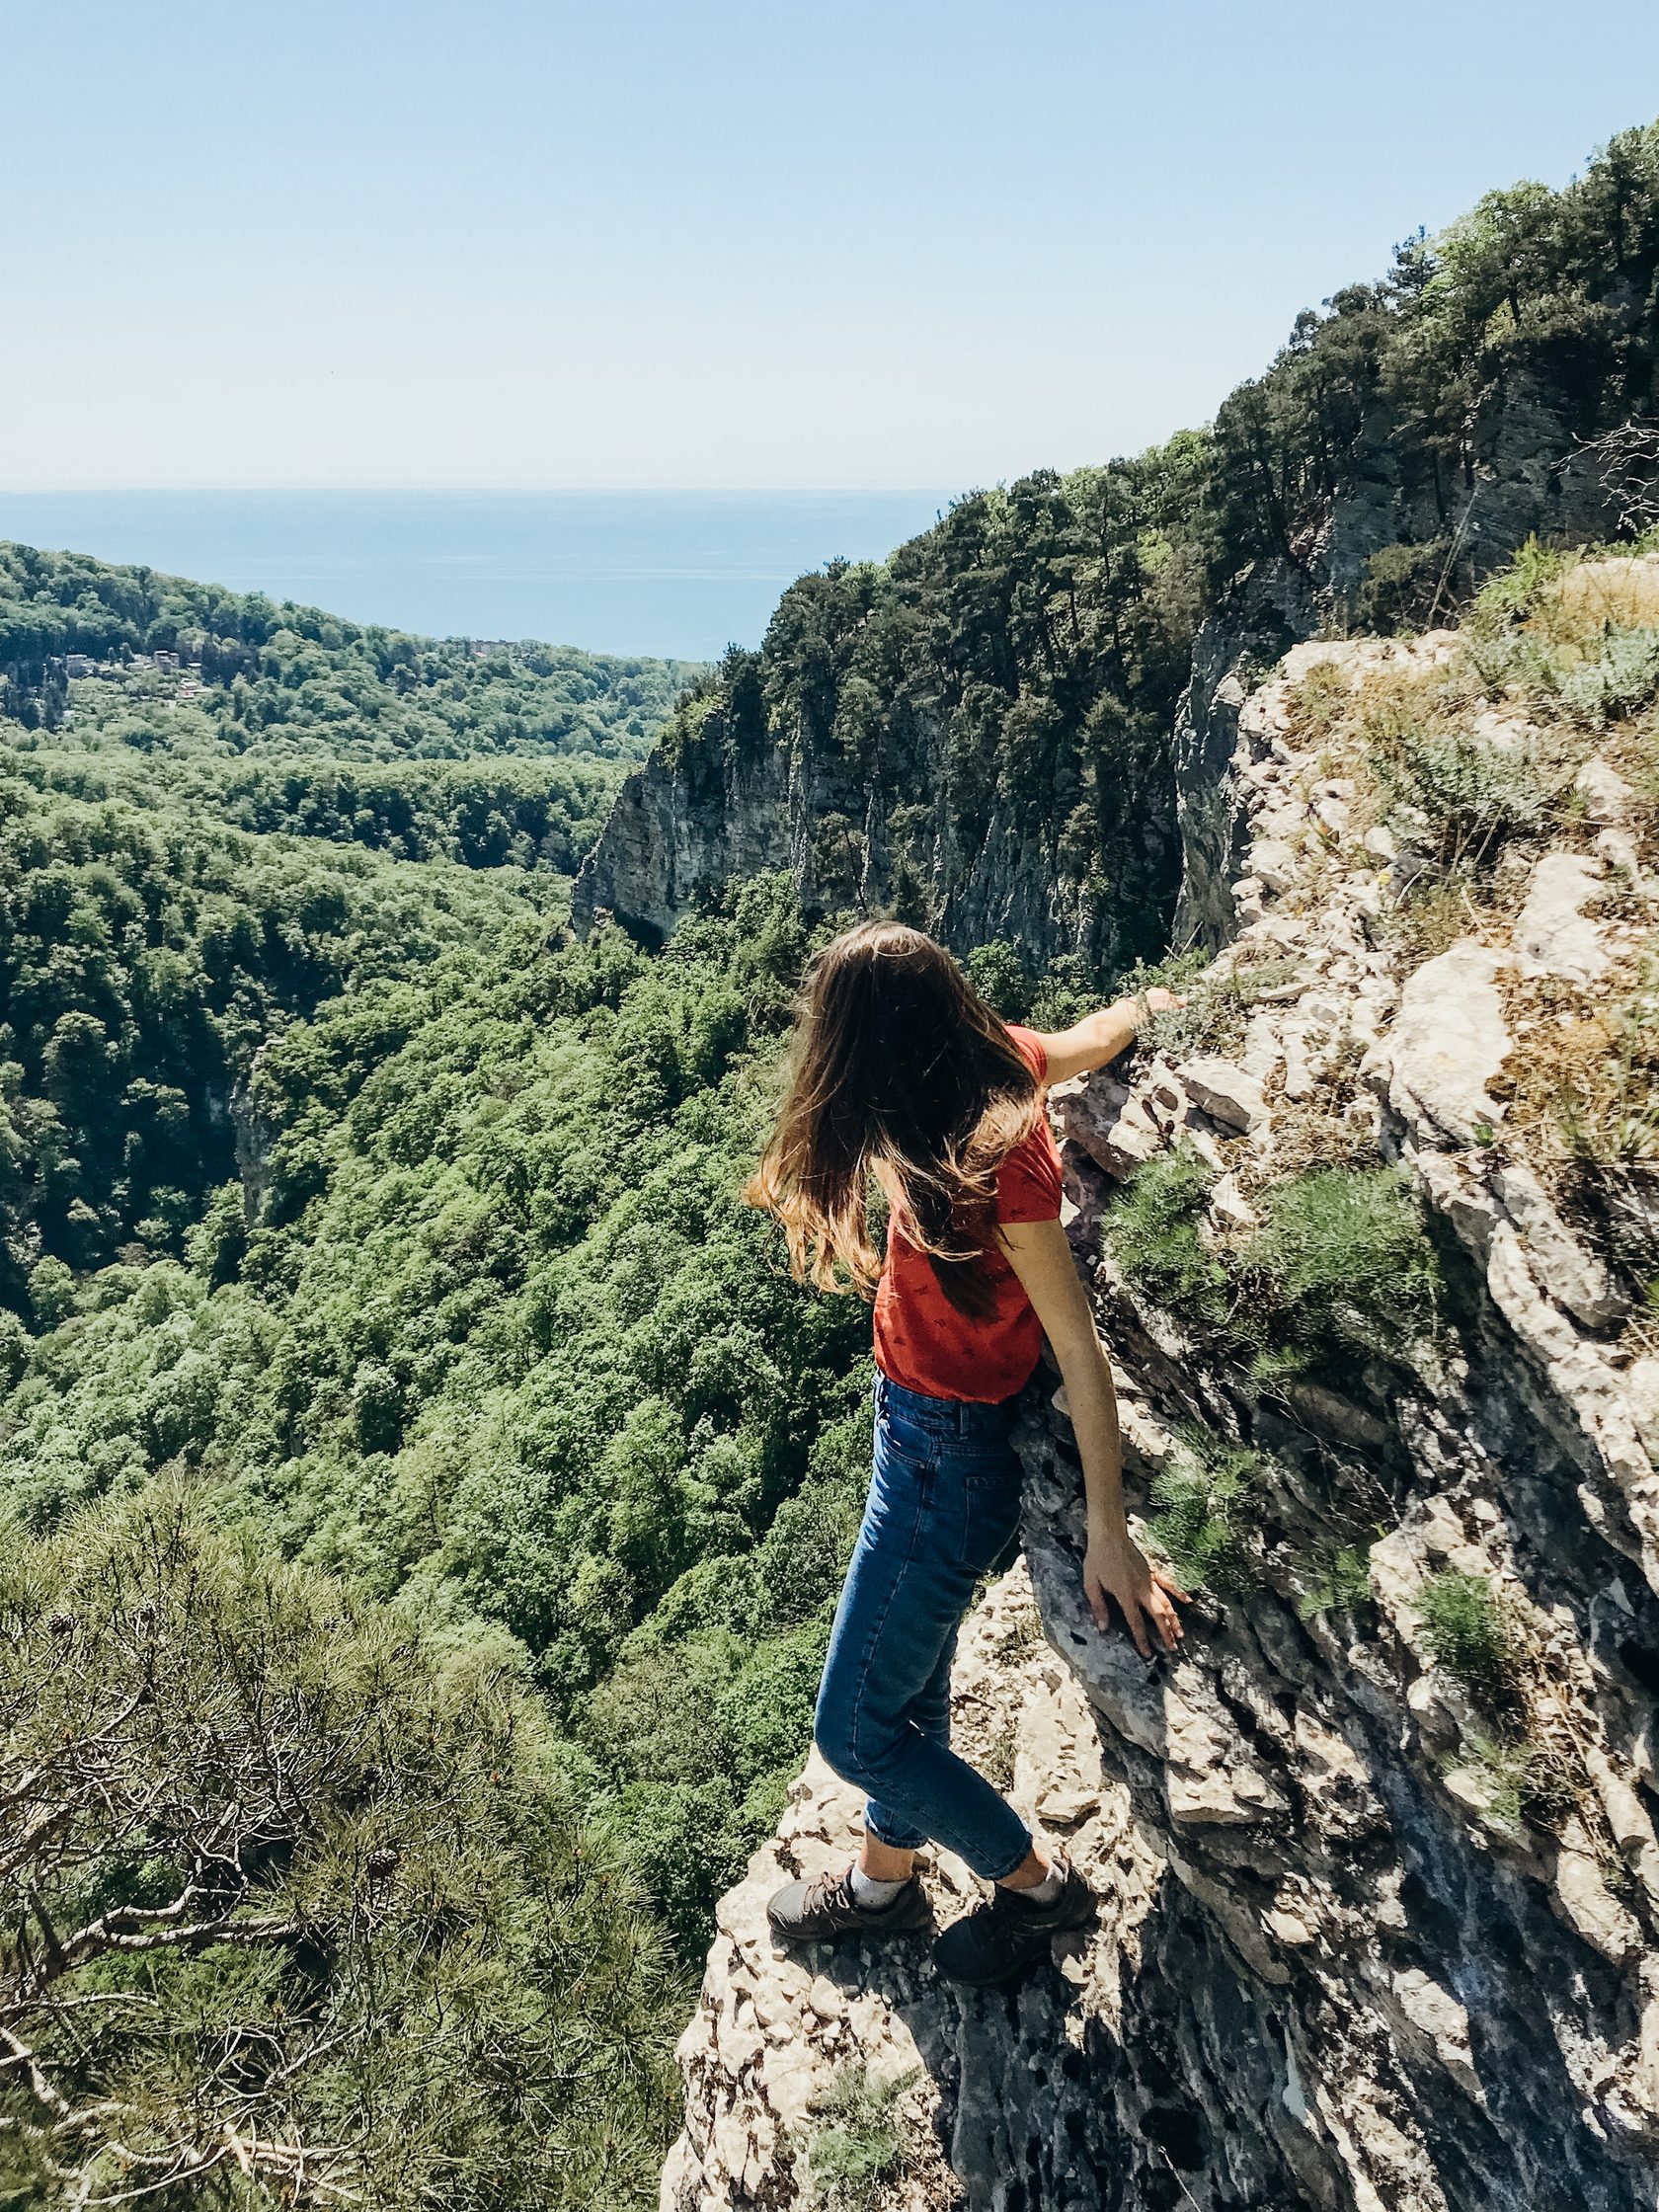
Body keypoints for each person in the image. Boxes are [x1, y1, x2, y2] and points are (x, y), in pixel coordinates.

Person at [744, 920, 1188, 1989]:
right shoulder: (976, 1062)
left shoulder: (1000, 1156)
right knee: (906, 1698)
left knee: (855, 1729)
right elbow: (1085, 1038)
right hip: (913, 1432)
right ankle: (888, 1882)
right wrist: (1150, 1011)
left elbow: (1079, 1351)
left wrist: (1109, 1533)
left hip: (946, 1467)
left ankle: (1037, 1888)